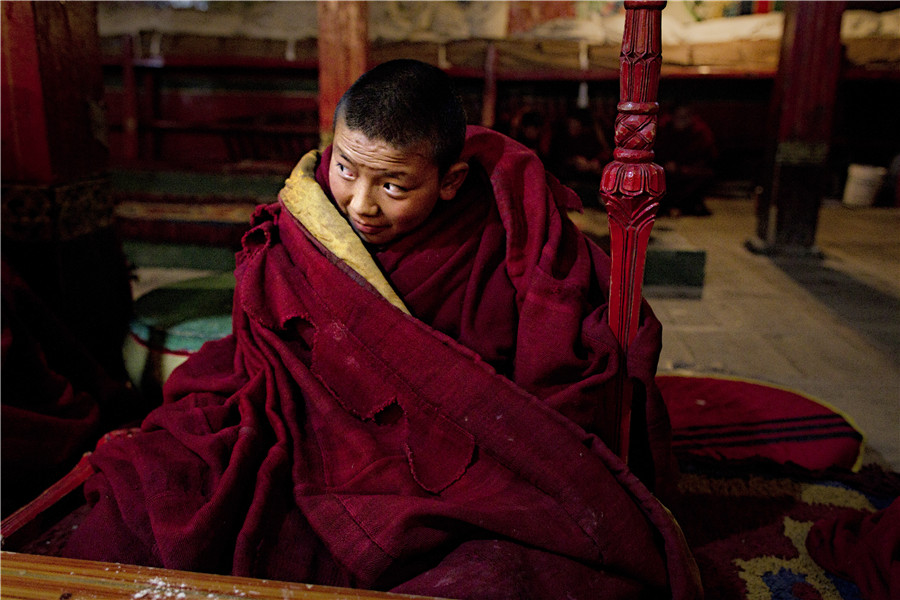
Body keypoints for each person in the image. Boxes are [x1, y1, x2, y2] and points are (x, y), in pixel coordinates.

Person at [60, 60, 700, 599]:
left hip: (443, 449)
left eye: (393, 184)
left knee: (521, 564)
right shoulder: (301, 227)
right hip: (313, 423)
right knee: (170, 484)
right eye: (346, 169)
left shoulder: (503, 233)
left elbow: (552, 362)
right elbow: (268, 356)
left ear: (450, 181)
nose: (361, 203)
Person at [655, 104, 718, 216]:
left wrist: (684, 168)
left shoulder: (700, 132)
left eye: (686, 117)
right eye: (679, 117)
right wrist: (666, 164)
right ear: (672, 117)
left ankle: (686, 205)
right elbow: (656, 152)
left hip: (690, 172)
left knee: (703, 177)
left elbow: (708, 158)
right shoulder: (662, 128)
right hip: (666, 172)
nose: (683, 121)